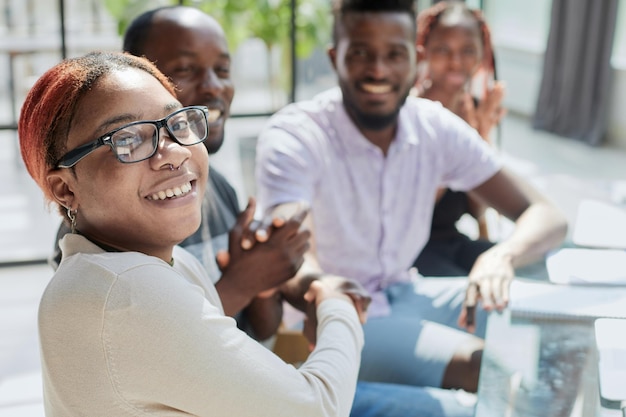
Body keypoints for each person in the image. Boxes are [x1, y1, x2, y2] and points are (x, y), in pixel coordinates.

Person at [255, 0, 567, 407]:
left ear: (415, 59)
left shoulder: (432, 125)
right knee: (490, 368)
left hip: (405, 290)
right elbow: (292, 255)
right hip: (337, 315)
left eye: (394, 54)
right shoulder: (296, 135)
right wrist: (320, 287)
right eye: (361, 53)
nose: (379, 70)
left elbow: (547, 215)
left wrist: (502, 256)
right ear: (336, 57)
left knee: (553, 323)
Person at [19, 50, 366, 416]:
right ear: (65, 189)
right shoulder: (127, 291)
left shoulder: (146, 266)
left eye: (176, 123)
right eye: (126, 140)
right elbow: (318, 409)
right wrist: (337, 304)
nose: (173, 154)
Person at [50, 6, 307, 340]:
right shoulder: (99, 221)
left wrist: (264, 274)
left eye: (223, 69)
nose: (214, 86)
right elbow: (141, 346)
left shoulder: (213, 187)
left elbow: (262, 330)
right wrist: (242, 283)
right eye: (185, 69)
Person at [412, 1, 507, 276]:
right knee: (470, 292)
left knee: (520, 268)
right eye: (443, 49)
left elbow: (477, 207)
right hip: (410, 250)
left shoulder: (476, 109)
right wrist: (456, 142)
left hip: (451, 240)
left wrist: (481, 138)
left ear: (482, 54)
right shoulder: (407, 112)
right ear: (424, 50)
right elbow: (409, 215)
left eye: (467, 50)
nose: (456, 61)